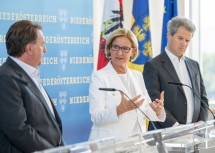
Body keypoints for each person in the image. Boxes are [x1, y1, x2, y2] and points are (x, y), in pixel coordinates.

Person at [88, 28, 166, 141]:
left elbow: (145, 109)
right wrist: (119, 109)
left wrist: (157, 110)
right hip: (110, 144)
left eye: (125, 48)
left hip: (137, 142)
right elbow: (96, 116)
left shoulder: (137, 75)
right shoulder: (99, 77)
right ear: (110, 48)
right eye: (115, 47)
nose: (119, 53)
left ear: (132, 52)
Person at [0, 20, 63, 153]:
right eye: (42, 45)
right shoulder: (5, 78)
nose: (45, 49)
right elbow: (18, 129)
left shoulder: (29, 74)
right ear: (29, 48)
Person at [143, 16, 208, 130]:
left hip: (193, 135)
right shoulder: (153, 66)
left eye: (187, 40)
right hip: (167, 134)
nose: (184, 44)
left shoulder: (194, 65)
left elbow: (203, 99)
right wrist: (177, 128)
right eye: (180, 38)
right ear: (169, 35)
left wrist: (201, 123)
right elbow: (154, 102)